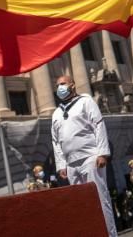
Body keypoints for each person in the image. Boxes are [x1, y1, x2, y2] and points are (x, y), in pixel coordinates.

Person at [51, 76, 116, 237]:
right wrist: (61, 165)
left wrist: (102, 153)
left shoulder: (85, 101)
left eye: (63, 84)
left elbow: (98, 125)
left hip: (91, 158)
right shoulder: (56, 113)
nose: (60, 87)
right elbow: (56, 141)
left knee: (101, 200)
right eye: (58, 85)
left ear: (72, 85)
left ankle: (110, 234)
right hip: (71, 164)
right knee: (82, 204)